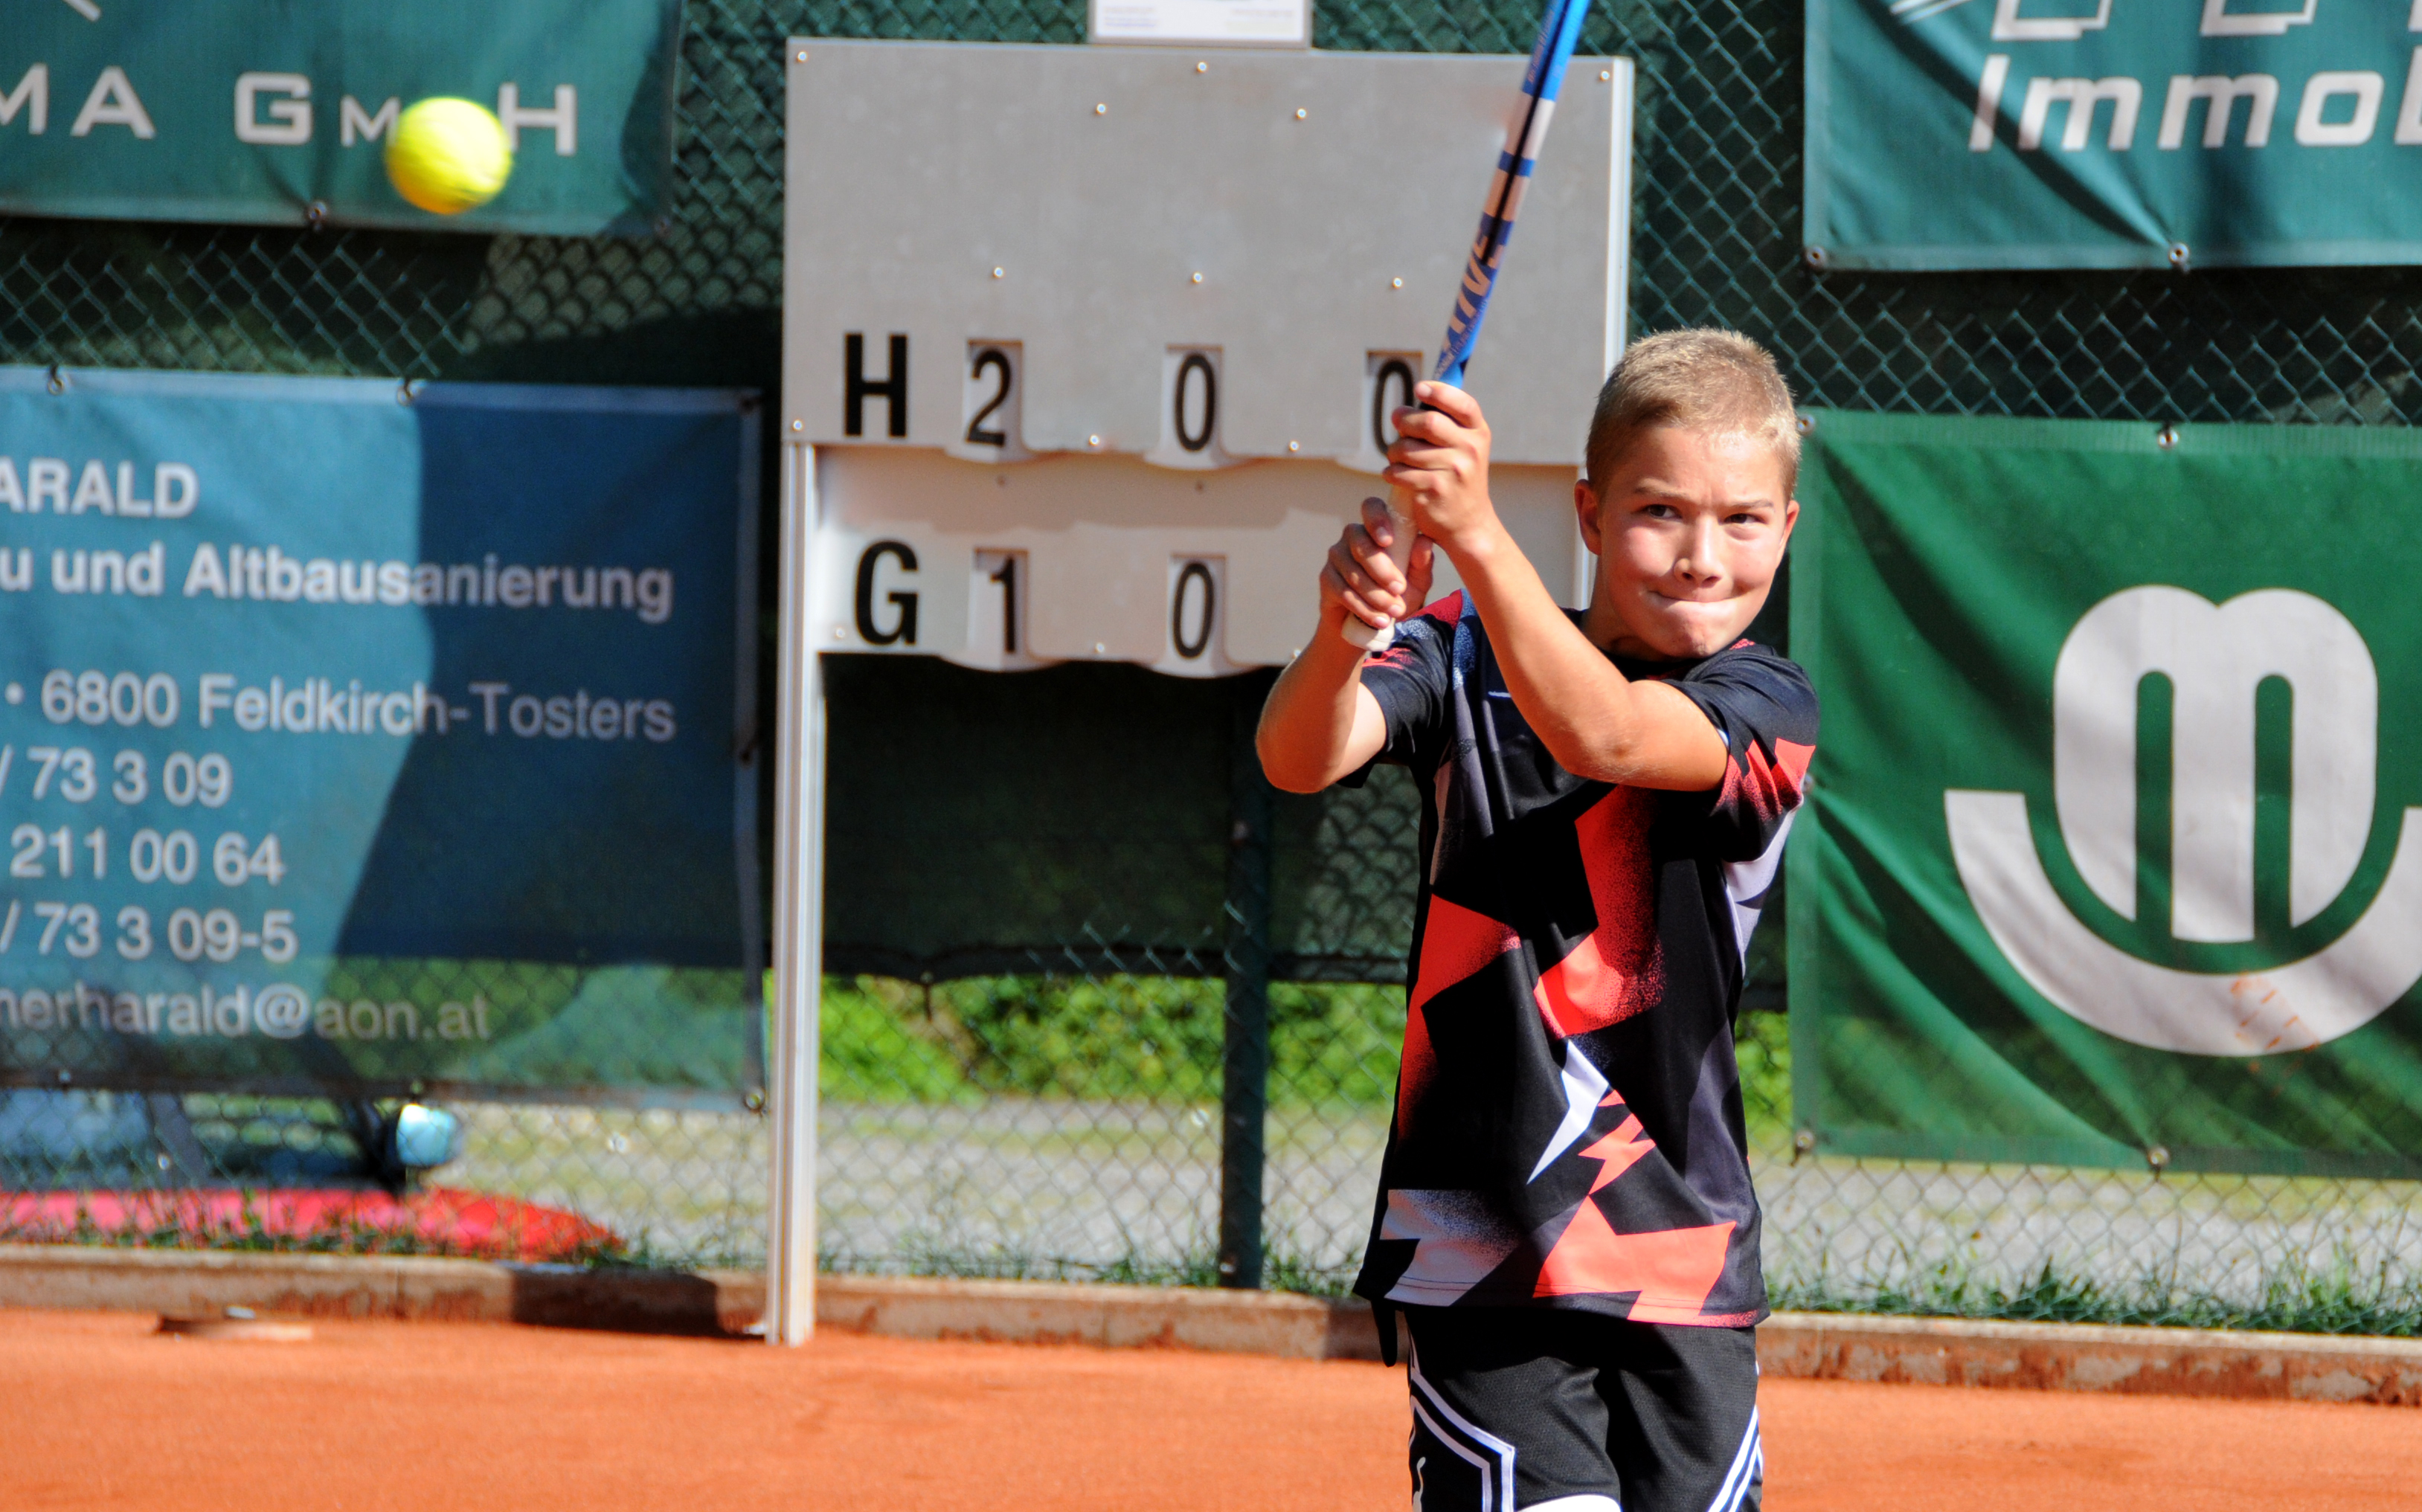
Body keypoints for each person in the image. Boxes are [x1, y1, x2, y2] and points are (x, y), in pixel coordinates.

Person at [1256, 329, 1816, 1512]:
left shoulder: (1766, 703)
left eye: (1743, 520)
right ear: (1591, 512)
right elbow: (1300, 756)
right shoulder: (1459, 652)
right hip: (1483, 1248)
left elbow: (1605, 732)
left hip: (1683, 1255)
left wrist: (1475, 530)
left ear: (1788, 527)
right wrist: (1342, 636)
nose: (1702, 557)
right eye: (1661, 511)